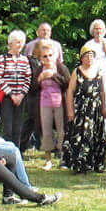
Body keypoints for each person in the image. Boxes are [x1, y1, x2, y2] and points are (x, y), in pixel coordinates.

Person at [62, 45, 106, 175]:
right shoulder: (77, 71)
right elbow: (70, 92)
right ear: (82, 58)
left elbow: (102, 91)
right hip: (81, 108)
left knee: (96, 135)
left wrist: (104, 107)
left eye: (91, 56)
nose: (89, 59)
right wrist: (70, 111)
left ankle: (97, 164)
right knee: (81, 136)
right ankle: (80, 165)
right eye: (86, 56)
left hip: (96, 109)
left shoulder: (99, 71)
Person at [33, 42, 70, 171]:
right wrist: (39, 79)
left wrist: (53, 76)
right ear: (41, 58)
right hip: (44, 103)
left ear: (55, 56)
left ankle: (63, 159)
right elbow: (32, 89)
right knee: (46, 131)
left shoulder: (61, 68)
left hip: (60, 103)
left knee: (62, 131)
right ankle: (48, 160)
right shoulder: (39, 70)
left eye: (50, 55)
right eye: (45, 56)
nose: (48, 58)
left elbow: (68, 84)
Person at [0, 30, 32, 147]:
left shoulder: (25, 60)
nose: (20, 45)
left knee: (18, 128)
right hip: (7, 98)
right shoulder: (2, 58)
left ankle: (17, 152)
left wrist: (21, 94)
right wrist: (11, 94)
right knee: (8, 128)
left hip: (21, 97)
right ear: (10, 43)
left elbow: (28, 78)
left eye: (21, 42)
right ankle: (7, 152)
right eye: (17, 42)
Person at [85, 19, 106, 144]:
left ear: (104, 31)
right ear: (92, 31)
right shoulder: (88, 45)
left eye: (100, 29)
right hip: (92, 76)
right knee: (92, 104)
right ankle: (93, 135)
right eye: (96, 29)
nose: (98, 31)